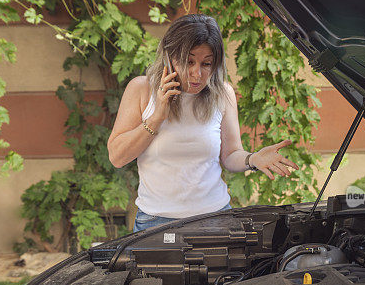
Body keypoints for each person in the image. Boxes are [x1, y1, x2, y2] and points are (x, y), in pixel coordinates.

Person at [108, 14, 299, 232]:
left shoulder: (223, 94)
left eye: (206, 64)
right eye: (188, 62)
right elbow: (117, 157)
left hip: (215, 219)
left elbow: (229, 155)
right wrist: (157, 117)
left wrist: (252, 158)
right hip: (156, 223)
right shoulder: (142, 90)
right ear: (170, 57)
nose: (197, 74)